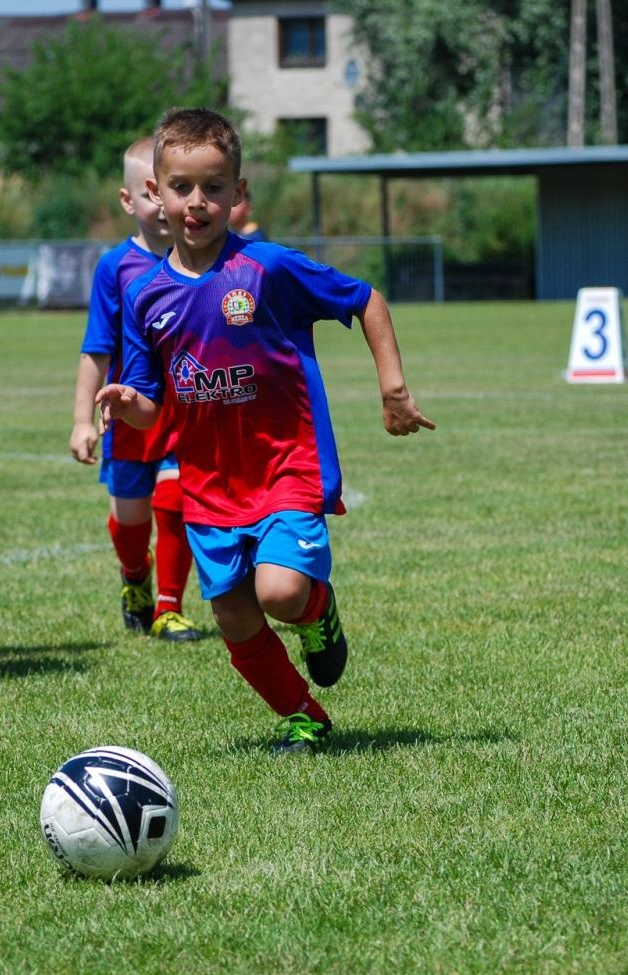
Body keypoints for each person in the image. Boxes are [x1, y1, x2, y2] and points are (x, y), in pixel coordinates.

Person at [99, 108, 435, 754]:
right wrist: (127, 404)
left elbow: (365, 299)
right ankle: (303, 715)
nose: (197, 202)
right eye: (181, 187)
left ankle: (316, 611)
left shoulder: (267, 268)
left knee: (279, 590)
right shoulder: (145, 295)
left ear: (237, 191)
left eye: (214, 187)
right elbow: (149, 401)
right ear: (155, 193)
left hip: (286, 466)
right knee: (233, 615)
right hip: (208, 483)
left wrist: (392, 388)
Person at [70, 136, 202, 643]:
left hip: (185, 412)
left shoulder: (201, 259)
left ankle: (170, 606)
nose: (162, 206)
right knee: (131, 521)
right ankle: (134, 578)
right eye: (149, 194)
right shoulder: (115, 268)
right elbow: (95, 349)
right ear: (129, 201)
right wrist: (83, 419)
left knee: (176, 503)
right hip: (127, 416)